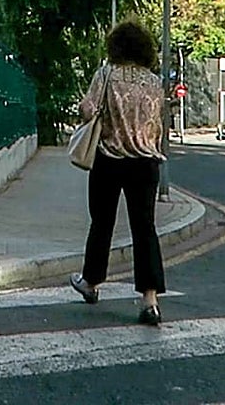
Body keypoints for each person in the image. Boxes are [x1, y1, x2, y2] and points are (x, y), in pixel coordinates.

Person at [69, 17, 167, 325]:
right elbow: (158, 126)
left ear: (115, 46)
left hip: (109, 158)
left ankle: (91, 282)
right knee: (145, 229)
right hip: (146, 163)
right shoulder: (154, 82)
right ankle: (149, 301)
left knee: (102, 223)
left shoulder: (106, 74)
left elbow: (88, 110)